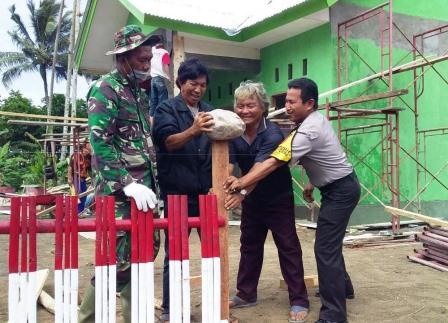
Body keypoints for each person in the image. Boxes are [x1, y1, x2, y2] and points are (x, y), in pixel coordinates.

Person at [224, 78, 361, 323]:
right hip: (331, 187)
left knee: (322, 247)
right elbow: (320, 155)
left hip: (337, 191)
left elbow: (273, 162)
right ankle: (344, 287)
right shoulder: (305, 123)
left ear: (309, 104)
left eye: (291, 101)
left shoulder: (303, 130)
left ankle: (333, 316)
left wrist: (240, 185)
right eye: (285, 101)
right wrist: (313, 182)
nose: (286, 106)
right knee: (323, 245)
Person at [79, 25, 161, 323]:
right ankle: (86, 319)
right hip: (119, 195)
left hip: (145, 192)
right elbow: (100, 142)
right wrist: (127, 184)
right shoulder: (105, 88)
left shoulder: (137, 94)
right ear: (123, 57)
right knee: (114, 263)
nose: (147, 64)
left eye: (149, 58)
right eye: (142, 59)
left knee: (140, 258)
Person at [225, 81, 309, 323]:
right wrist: (226, 179)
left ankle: (299, 300)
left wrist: (239, 189)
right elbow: (230, 162)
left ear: (262, 107)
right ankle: (246, 294)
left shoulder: (272, 133)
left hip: (277, 199)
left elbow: (261, 169)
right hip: (253, 200)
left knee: (288, 247)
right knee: (249, 246)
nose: (244, 111)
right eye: (240, 106)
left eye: (250, 105)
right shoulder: (235, 133)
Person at [152, 58, 214, 323]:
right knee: (175, 252)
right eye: (192, 84)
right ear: (180, 83)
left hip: (206, 193)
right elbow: (167, 143)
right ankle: (170, 308)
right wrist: (194, 129)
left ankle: (215, 305)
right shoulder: (167, 109)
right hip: (177, 193)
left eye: (202, 85)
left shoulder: (209, 110)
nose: (198, 90)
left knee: (213, 251)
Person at [149, 35, 171, 123]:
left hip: (153, 79)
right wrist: (168, 76)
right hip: (160, 79)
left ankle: (151, 124)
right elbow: (165, 65)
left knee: (154, 102)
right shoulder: (164, 52)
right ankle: (160, 122)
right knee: (163, 102)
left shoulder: (152, 52)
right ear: (163, 44)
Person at [67, 140, 91, 213]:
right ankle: (77, 212)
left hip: (83, 179)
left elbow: (91, 169)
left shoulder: (89, 157)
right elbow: (70, 167)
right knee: (77, 195)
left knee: (84, 195)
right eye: (85, 149)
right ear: (82, 148)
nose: (87, 151)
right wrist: (69, 178)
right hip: (76, 178)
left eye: (88, 149)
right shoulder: (76, 156)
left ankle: (80, 211)